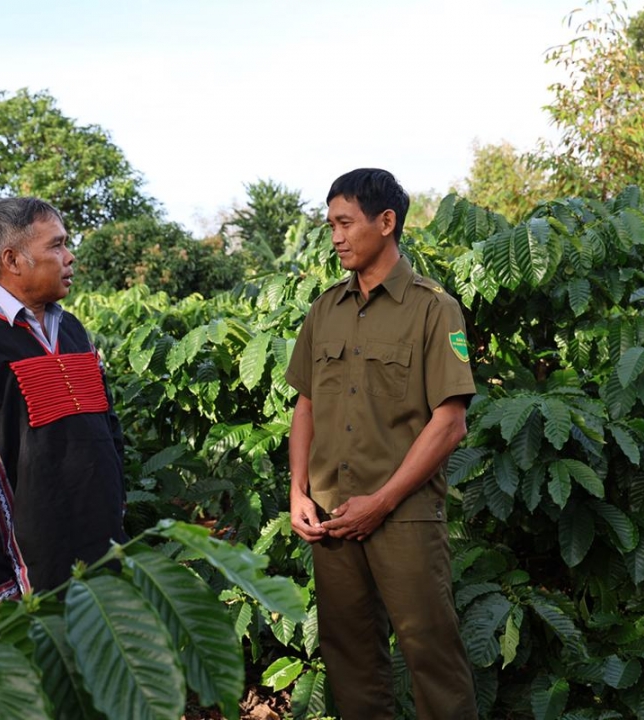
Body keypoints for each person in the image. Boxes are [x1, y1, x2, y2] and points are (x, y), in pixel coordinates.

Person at [285, 169, 478, 719]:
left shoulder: (432, 308)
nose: (337, 237)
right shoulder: (325, 309)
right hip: (331, 518)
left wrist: (383, 501)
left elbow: (449, 423)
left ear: (387, 222)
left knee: (431, 657)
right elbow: (307, 407)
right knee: (349, 660)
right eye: (331, 226)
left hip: (405, 517)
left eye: (346, 223)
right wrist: (299, 491)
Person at [0, 197, 127, 627]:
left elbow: (108, 433)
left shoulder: (72, 330)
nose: (69, 257)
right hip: (28, 582)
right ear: (13, 260)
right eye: (56, 246)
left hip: (100, 563)